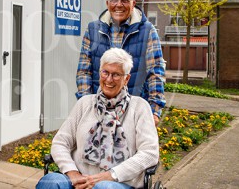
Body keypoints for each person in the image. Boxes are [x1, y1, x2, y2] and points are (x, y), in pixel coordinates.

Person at [36, 48, 159, 189]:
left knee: (104, 188)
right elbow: (60, 142)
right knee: (50, 182)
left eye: (116, 74)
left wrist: (109, 176)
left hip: (120, 183)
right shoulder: (84, 103)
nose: (109, 79)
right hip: (79, 179)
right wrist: (73, 173)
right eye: (105, 72)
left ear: (127, 79)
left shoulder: (139, 107)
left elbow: (149, 153)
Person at [76, 0, 166, 125]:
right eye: (114, 0)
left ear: (133, 3)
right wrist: (87, 106)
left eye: (125, 0)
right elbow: (84, 71)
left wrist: (154, 111)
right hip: (99, 110)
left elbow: (156, 72)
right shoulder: (93, 29)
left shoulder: (148, 31)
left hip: (133, 112)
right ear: (107, 3)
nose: (119, 5)